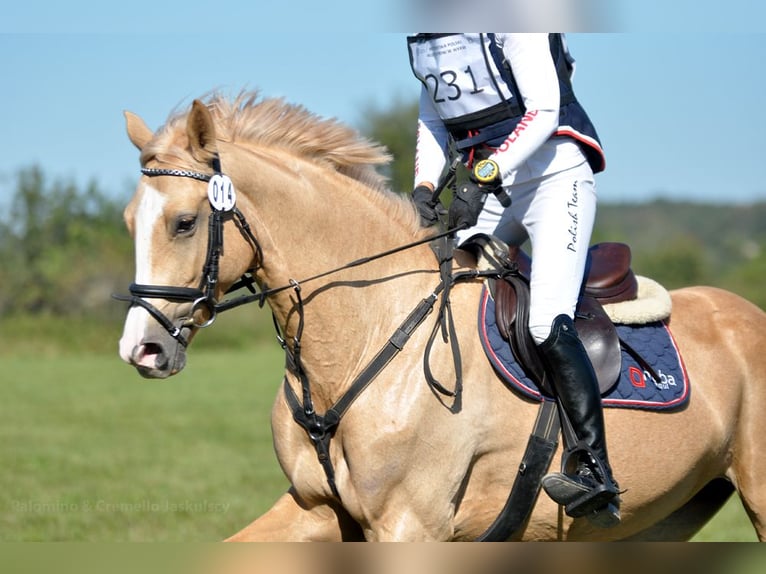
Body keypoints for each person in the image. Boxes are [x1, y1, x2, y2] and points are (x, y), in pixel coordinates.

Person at [407, 33, 620, 527]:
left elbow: (543, 112)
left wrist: (483, 173)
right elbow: (433, 121)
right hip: (499, 188)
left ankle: (594, 471)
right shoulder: (427, 41)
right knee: (442, 294)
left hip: (555, 180)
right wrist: (422, 189)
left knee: (547, 321)